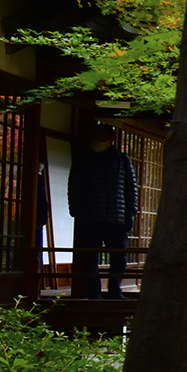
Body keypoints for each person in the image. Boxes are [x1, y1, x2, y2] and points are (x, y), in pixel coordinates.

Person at [68, 124, 139, 299]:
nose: (96, 141)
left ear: (110, 139)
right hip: (91, 217)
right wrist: (76, 212)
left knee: (119, 257)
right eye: (95, 137)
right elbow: (74, 187)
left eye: (100, 137)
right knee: (90, 257)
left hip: (117, 217)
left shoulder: (122, 160)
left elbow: (131, 189)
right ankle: (94, 292)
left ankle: (115, 290)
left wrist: (130, 213)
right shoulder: (84, 159)